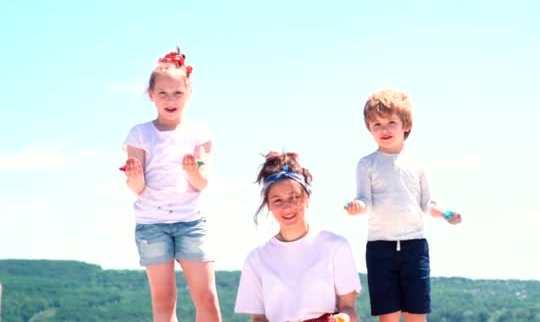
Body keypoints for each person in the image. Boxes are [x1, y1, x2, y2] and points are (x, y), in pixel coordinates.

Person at [344, 89, 462, 322]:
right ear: (369, 128)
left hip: (414, 247)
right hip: (380, 247)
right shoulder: (366, 164)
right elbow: (365, 201)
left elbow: (427, 204)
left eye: (391, 122)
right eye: (376, 124)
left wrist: (446, 214)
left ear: (405, 125)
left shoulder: (418, 164)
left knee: (416, 314)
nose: (384, 129)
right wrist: (357, 206)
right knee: (388, 315)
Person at [121, 46, 222, 322]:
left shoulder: (199, 134)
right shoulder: (139, 134)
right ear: (151, 95)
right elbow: (137, 188)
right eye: (163, 93)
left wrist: (192, 171)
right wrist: (134, 176)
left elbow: (202, 183)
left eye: (177, 93)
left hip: (190, 221)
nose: (170, 99)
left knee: (208, 298)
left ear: (188, 94)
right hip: (152, 224)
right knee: (164, 299)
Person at [235, 151, 361, 322]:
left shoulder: (336, 246)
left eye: (294, 197)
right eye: (277, 200)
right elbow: (259, 318)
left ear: (307, 198)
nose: (287, 207)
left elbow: (349, 310)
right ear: (269, 205)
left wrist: (341, 320)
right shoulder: (256, 259)